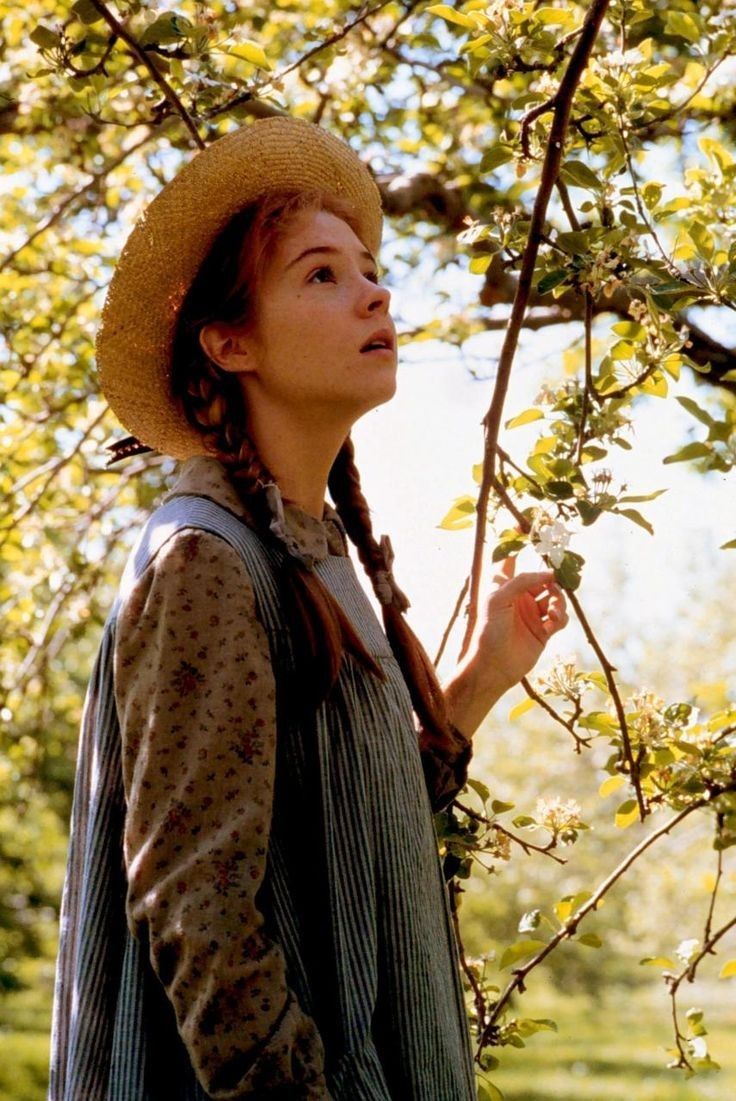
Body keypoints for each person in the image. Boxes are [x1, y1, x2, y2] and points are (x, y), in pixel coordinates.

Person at [48, 116, 567, 1101]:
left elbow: (346, 839)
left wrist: (483, 674)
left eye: (371, 270)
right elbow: (199, 917)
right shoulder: (205, 561)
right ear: (229, 340)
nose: (374, 291)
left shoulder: (308, 548)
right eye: (322, 275)